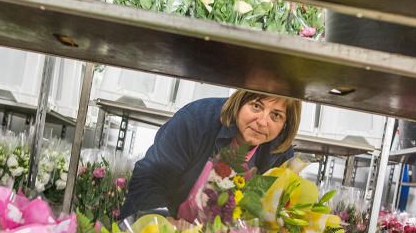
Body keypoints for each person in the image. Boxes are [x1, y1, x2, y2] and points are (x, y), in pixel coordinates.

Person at [121, 90, 302, 219]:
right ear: (239, 101)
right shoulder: (196, 119)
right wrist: (161, 221)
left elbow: (273, 216)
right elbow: (151, 178)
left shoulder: (281, 155)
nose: (263, 122)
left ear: (286, 124)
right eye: (256, 106)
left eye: (276, 116)